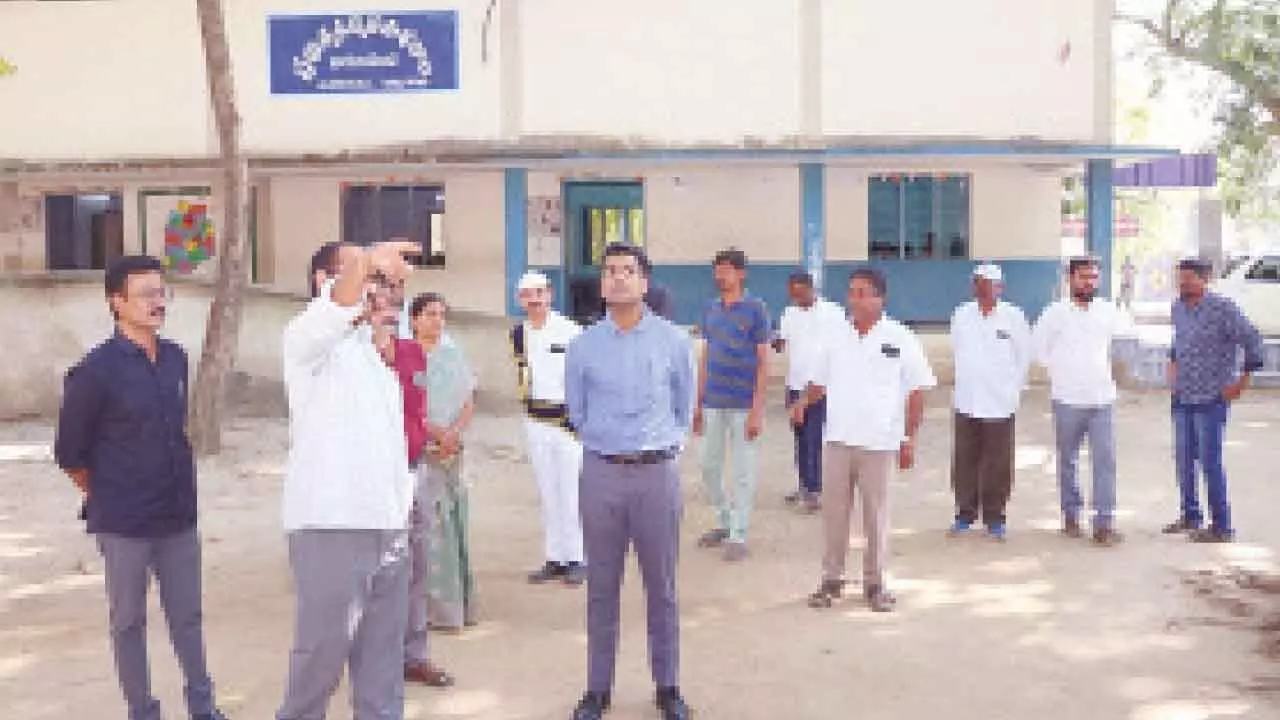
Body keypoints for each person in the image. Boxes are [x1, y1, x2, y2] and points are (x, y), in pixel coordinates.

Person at [54, 255, 229, 720]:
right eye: (147, 294)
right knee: (128, 622)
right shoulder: (94, 372)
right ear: (117, 302)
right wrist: (109, 492)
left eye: (162, 292)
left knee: (188, 619)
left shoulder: (175, 358)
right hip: (125, 524)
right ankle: (143, 711)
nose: (158, 302)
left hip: (177, 516)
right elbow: (70, 453)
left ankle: (203, 708)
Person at [275, 240, 421, 720]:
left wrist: (400, 520)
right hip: (331, 526)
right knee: (319, 663)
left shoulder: (375, 360)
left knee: (382, 671)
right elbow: (338, 307)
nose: (386, 292)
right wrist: (370, 258)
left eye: (389, 283)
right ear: (325, 282)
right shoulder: (307, 341)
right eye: (373, 279)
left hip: (388, 530)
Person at [565, 244, 694, 720]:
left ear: (645, 284)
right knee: (602, 586)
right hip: (601, 474)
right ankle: (597, 690)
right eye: (610, 271)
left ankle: (668, 687)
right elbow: (576, 412)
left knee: (661, 586)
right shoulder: (583, 346)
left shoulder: (674, 342)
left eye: (628, 271)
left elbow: (684, 407)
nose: (618, 279)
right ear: (602, 284)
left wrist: (661, 446)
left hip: (656, 475)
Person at [804, 267, 936, 612]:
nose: (854, 299)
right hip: (838, 440)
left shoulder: (900, 337)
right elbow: (819, 381)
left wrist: (909, 439)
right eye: (851, 292)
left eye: (863, 292)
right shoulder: (835, 335)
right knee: (834, 514)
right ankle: (831, 579)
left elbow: (917, 390)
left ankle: (875, 584)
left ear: (880, 298)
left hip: (879, 443)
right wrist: (802, 403)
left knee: (875, 516)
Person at [375, 279, 456, 688]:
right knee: (375, 571)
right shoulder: (349, 357)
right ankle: (374, 659)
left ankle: (414, 655)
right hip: (368, 481)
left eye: (392, 302)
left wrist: (435, 436)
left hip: (413, 472)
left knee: (416, 565)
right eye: (378, 302)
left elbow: (416, 413)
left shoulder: (412, 355)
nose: (385, 309)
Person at [1032, 255, 1133, 547]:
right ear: (1070, 279)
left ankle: (1104, 523)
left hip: (1102, 399)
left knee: (1105, 461)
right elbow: (1038, 351)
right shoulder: (1054, 313)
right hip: (1067, 399)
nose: (1089, 282)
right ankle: (1071, 516)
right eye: (1083, 277)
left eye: (1093, 277)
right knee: (1068, 461)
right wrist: (1062, 370)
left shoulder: (1108, 311)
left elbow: (1126, 340)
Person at [1164, 257, 1264, 543]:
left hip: (1212, 398)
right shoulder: (1178, 308)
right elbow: (1178, 343)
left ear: (1205, 279)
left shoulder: (1223, 309)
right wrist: (1172, 370)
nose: (1182, 283)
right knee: (1184, 461)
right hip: (1183, 397)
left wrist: (1241, 382)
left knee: (1210, 462)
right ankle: (1191, 516)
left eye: (1188, 278)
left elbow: (1252, 340)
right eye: (1180, 278)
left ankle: (1222, 526)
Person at [694, 248, 770, 561]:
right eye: (717, 270)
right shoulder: (711, 310)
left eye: (726, 270)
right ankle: (725, 521)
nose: (720, 275)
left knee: (742, 470)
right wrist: (697, 403)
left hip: (742, 403)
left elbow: (764, 362)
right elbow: (706, 356)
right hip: (713, 400)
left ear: (741, 274)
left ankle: (739, 534)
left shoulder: (756, 310)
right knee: (709, 466)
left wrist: (757, 409)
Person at [409, 292, 480, 628]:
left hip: (453, 450)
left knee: (455, 522)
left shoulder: (453, 355)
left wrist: (453, 434)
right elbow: (406, 406)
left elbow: (468, 400)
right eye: (429, 314)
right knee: (428, 526)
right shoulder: (407, 356)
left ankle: (459, 604)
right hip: (422, 449)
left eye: (441, 314)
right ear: (414, 319)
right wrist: (435, 433)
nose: (437, 320)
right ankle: (431, 610)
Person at [512, 270, 586, 585]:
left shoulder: (571, 331)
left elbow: (585, 376)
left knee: (572, 491)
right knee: (547, 491)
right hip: (535, 420)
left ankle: (579, 557)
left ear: (550, 294)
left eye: (539, 293)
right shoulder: (519, 334)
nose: (534, 300)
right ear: (520, 300)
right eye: (528, 295)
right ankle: (555, 556)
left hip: (566, 422)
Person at [947, 263, 1031, 541]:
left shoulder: (1014, 317)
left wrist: (1013, 391)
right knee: (964, 459)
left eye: (989, 283)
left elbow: (1023, 357)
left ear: (1000, 288)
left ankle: (995, 516)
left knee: (997, 462)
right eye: (978, 283)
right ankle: (964, 513)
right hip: (967, 399)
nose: (983, 288)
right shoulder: (961, 315)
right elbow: (959, 351)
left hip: (1000, 401)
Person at [773, 271, 843, 513]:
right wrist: (771, 341)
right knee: (800, 438)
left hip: (819, 386)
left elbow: (842, 346)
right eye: (792, 294)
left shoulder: (832, 313)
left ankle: (815, 492)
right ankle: (804, 484)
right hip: (795, 385)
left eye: (799, 293)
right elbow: (780, 342)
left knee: (813, 438)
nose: (795, 298)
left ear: (811, 289)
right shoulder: (789, 314)